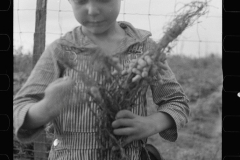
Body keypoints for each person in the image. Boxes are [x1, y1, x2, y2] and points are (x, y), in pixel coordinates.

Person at [13, 0, 190, 159]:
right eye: (81, 0)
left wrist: (152, 123)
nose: (92, 10)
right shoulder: (61, 50)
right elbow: (18, 108)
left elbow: (177, 102)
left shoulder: (145, 48)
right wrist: (45, 109)